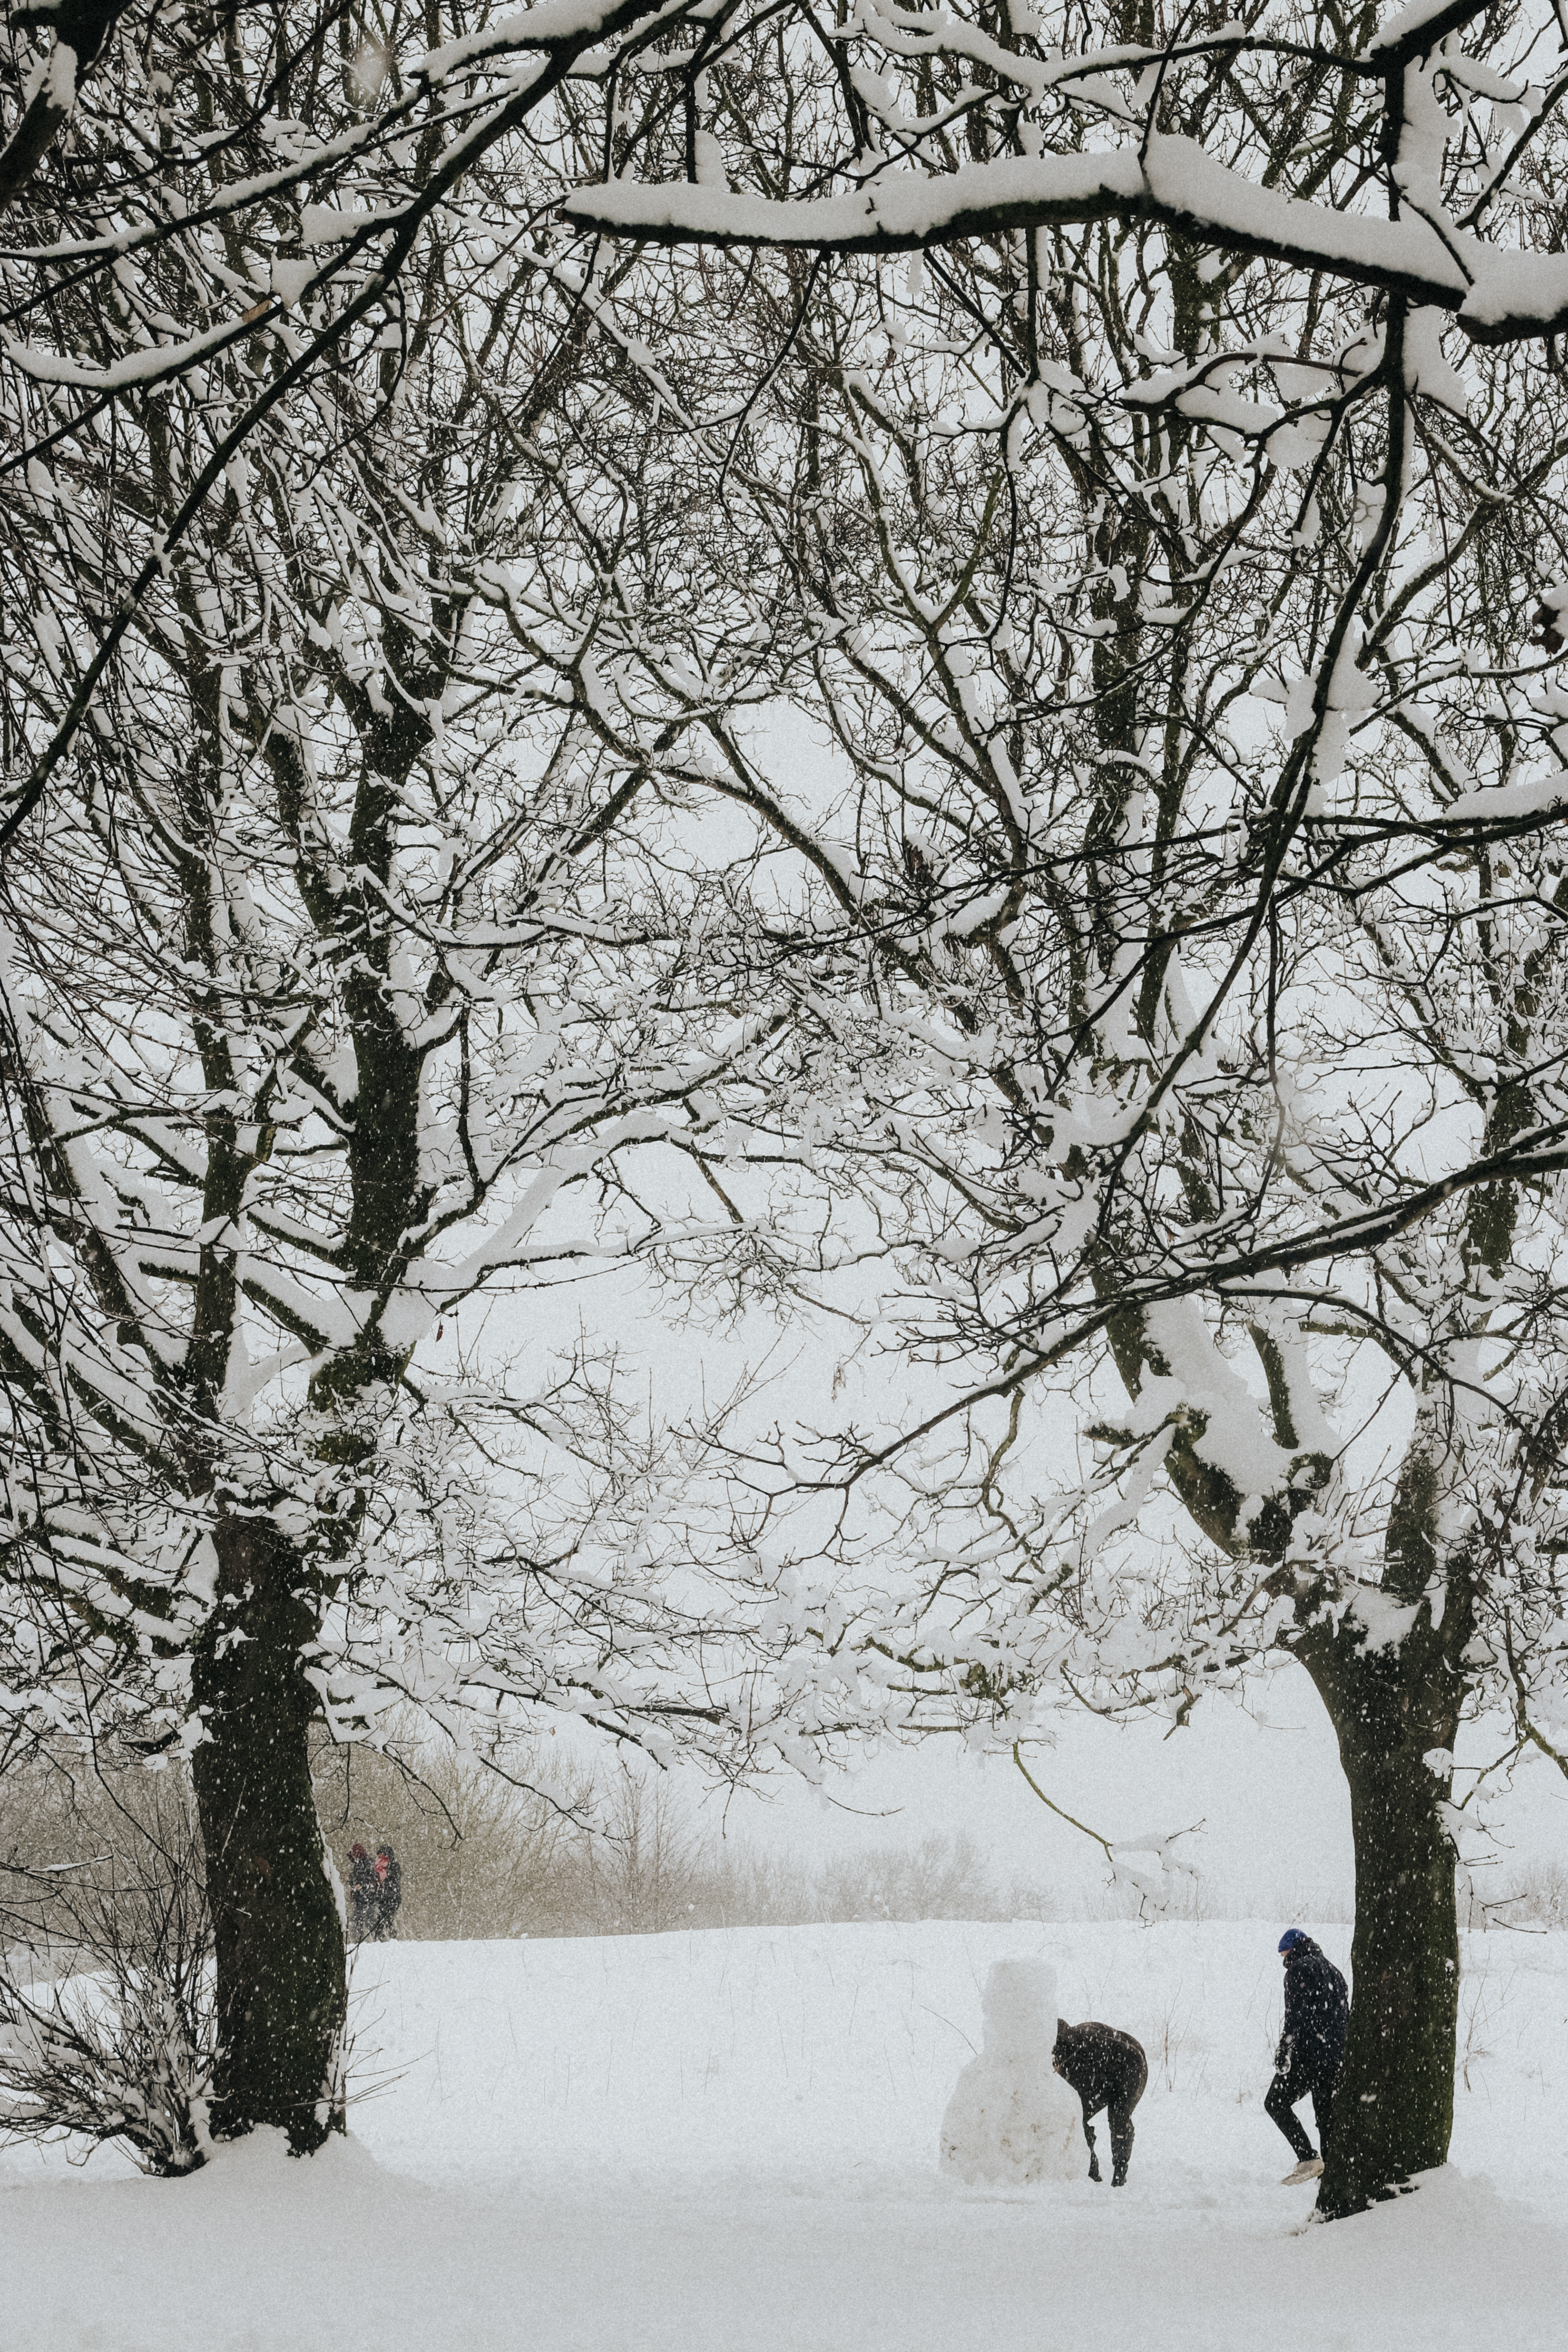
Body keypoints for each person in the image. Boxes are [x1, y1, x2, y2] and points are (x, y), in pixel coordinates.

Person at [1265, 1927, 1348, 2184]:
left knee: (1275, 2103)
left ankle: (1308, 2158)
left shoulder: (1298, 1970)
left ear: (1293, 1949)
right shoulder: (1335, 1972)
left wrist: (1285, 2048)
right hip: (1336, 2057)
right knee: (1327, 2118)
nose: (1284, 1960)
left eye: (1284, 1954)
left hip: (1310, 2054)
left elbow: (1295, 2015)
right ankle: (1333, 2181)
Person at [1052, 2016, 1148, 2186]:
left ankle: (1120, 2175)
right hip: (1099, 2076)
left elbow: (1133, 2056)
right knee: (1075, 2117)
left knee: (1119, 2118)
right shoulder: (1059, 2056)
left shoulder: (1089, 2041)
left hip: (1131, 2066)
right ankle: (1092, 2173)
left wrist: (1122, 2101)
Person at [369, 1841, 403, 1940]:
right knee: (385, 1919)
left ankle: (383, 1938)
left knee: (385, 1919)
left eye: (381, 1855)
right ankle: (387, 1938)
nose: (379, 1857)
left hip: (392, 1897)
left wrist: (385, 1877)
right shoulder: (378, 1867)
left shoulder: (393, 1866)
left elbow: (395, 1880)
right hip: (383, 1897)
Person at [346, 1843, 376, 1943]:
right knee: (360, 1920)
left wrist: (361, 1886)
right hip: (362, 1897)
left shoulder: (367, 1864)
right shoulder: (360, 1864)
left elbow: (371, 1879)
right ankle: (359, 1940)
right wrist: (352, 1882)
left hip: (367, 1897)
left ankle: (373, 1940)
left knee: (365, 1919)